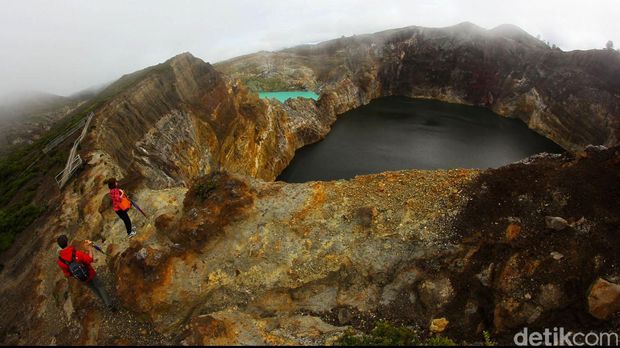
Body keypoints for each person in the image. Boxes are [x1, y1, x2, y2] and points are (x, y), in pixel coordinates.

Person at [56, 234, 113, 310]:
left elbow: (67, 274)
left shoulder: (60, 261)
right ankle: (109, 304)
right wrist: (90, 248)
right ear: (68, 242)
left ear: (60, 246)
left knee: (94, 289)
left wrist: (76, 274)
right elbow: (90, 259)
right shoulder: (76, 253)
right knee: (100, 286)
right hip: (90, 273)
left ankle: (104, 301)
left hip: (81, 278)